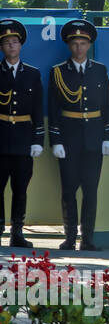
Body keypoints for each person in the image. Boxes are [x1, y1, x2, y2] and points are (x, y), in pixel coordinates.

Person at [48, 19, 109, 252]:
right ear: (69, 45)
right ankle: (69, 237)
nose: (79, 48)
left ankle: (88, 238)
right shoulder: (57, 72)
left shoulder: (99, 70)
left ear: (89, 45)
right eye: (74, 43)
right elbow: (53, 109)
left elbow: (107, 105)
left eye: (83, 43)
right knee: (68, 190)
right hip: (68, 138)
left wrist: (108, 136)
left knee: (90, 190)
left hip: (94, 138)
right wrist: (55, 140)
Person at [0, 19, 42, 249]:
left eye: (15, 42)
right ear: (2, 47)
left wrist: (38, 140)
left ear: (21, 45)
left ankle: (17, 232)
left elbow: (38, 109)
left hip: (24, 140)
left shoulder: (32, 74)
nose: (11, 46)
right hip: (1, 138)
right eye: (7, 43)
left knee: (20, 189)